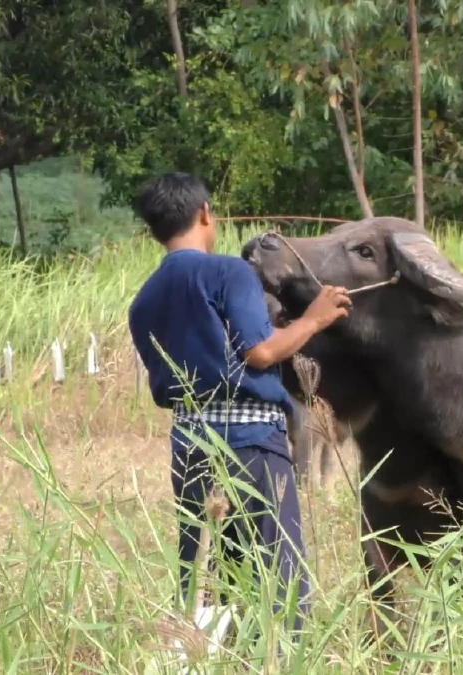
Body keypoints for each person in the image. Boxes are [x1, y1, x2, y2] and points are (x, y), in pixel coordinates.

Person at [127, 172, 350, 630]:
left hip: (189, 445)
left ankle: (205, 653)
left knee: (206, 571)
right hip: (250, 442)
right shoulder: (228, 272)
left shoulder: (144, 299)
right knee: (278, 572)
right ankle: (280, 656)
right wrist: (314, 318)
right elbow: (261, 351)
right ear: (205, 213)